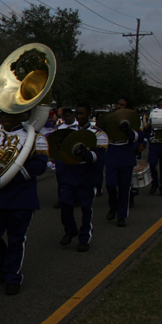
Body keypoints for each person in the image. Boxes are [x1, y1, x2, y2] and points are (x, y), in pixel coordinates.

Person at [0, 111, 49, 295]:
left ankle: (13, 276)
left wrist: (11, 173)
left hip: (22, 197)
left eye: (12, 113)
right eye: (4, 112)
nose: (6, 116)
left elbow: (39, 165)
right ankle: (5, 265)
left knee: (16, 239)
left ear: (22, 116)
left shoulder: (36, 137)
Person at [59, 104, 107, 252]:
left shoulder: (98, 133)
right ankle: (70, 230)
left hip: (87, 176)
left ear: (88, 114)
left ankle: (84, 238)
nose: (79, 117)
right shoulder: (70, 132)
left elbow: (101, 156)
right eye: (77, 114)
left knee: (86, 209)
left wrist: (84, 154)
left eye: (82, 114)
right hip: (70, 174)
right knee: (65, 203)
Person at [105, 96, 145, 227]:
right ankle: (113, 206)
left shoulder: (133, 120)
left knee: (124, 188)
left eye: (122, 105)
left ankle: (121, 215)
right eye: (118, 104)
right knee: (110, 185)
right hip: (112, 154)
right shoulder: (110, 119)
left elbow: (140, 137)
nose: (118, 106)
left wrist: (127, 130)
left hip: (126, 156)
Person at [144, 98, 162, 196]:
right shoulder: (152, 116)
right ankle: (154, 183)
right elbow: (147, 130)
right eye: (159, 105)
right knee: (151, 164)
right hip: (155, 145)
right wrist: (150, 138)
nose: (160, 107)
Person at [52, 107, 78, 209]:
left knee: (74, 177)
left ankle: (75, 198)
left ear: (72, 116)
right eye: (65, 117)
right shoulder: (60, 127)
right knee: (61, 177)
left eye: (69, 116)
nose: (67, 118)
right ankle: (61, 199)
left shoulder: (77, 126)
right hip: (61, 155)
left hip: (73, 155)